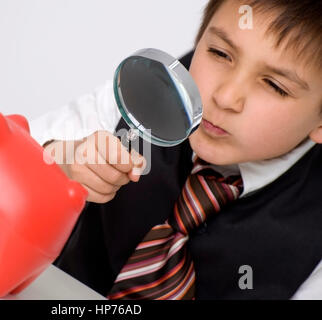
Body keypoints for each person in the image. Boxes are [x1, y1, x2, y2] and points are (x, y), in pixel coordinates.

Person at [30, 0, 322, 299]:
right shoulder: (144, 92)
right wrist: (60, 162)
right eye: (220, 53)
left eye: (274, 85)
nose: (225, 97)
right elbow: (3, 157)